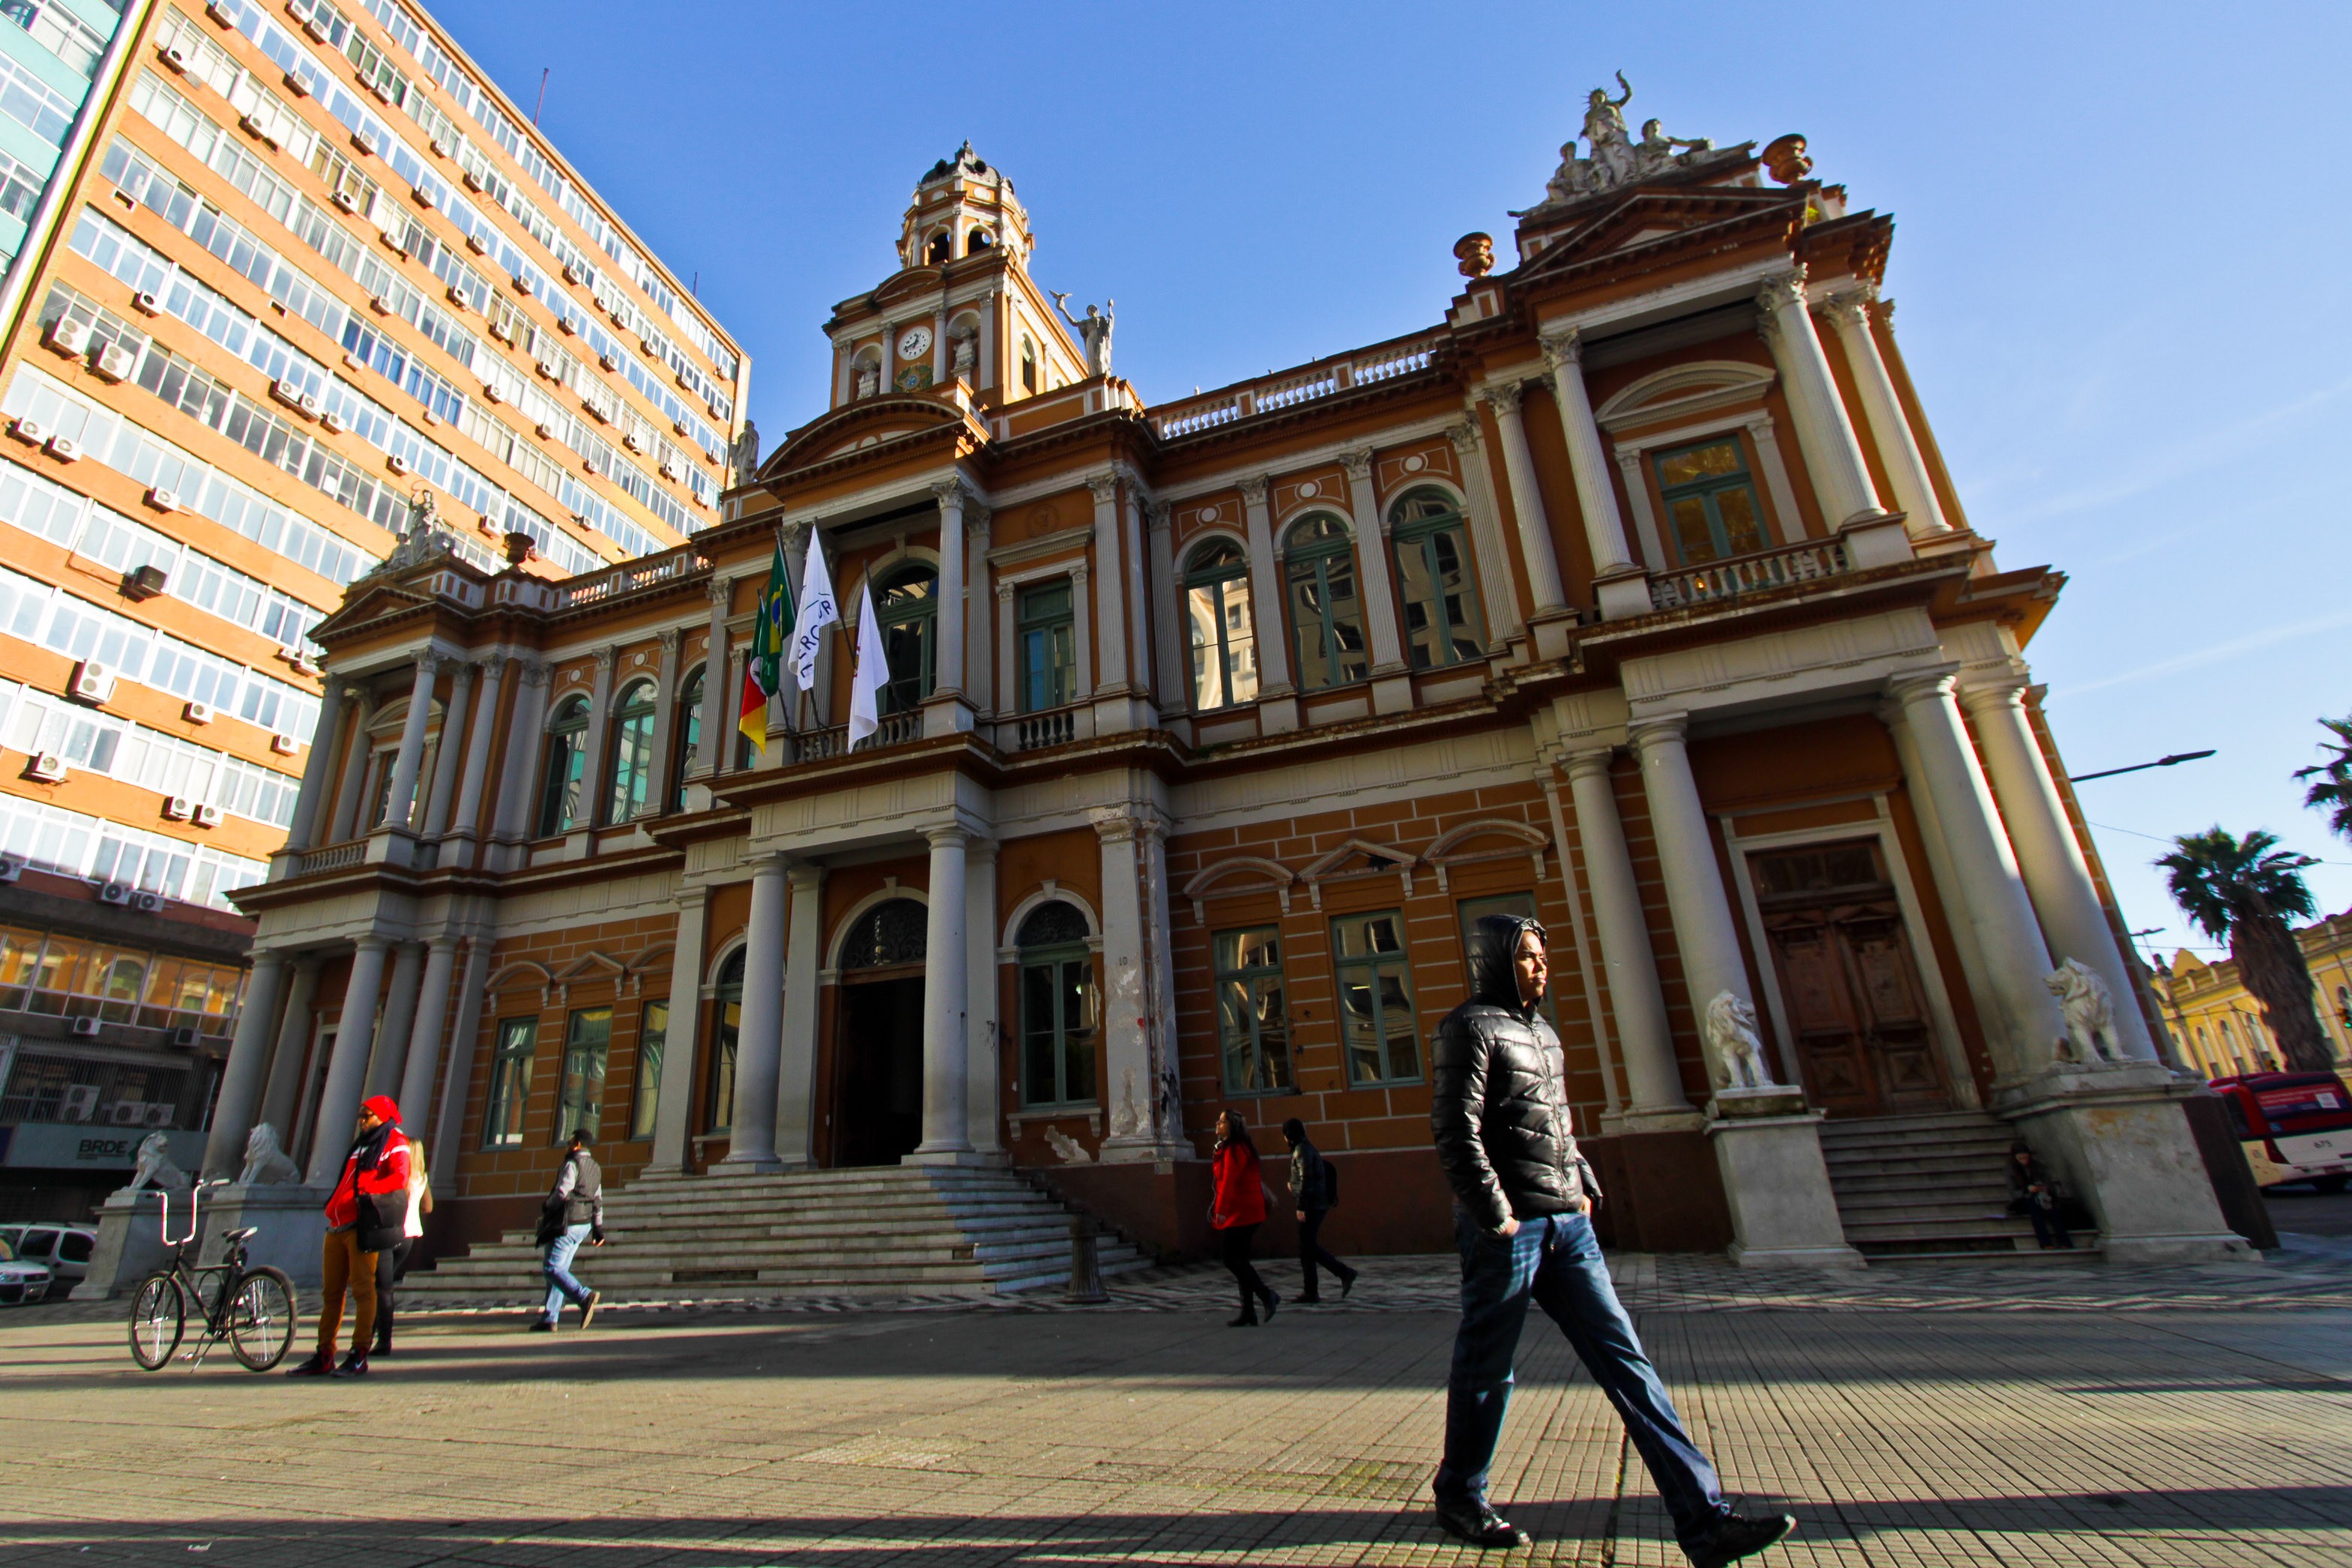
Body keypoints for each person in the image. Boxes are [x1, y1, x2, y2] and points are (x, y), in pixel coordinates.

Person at [1430, 914, 1794, 1566]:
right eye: (1529, 955)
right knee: (1487, 1368)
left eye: (1543, 954)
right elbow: (1456, 1129)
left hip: (1568, 1225)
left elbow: (1555, 1120)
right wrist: (1496, 1212)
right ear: (1496, 960)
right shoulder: (1469, 1027)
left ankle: (1705, 1521)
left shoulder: (1543, 1032)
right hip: (1510, 1230)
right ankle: (1461, 1495)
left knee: (1628, 1363)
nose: (1542, 965)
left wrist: (1584, 1178)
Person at [286, 1094, 411, 1379]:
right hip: (337, 1224)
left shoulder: (395, 1141)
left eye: (367, 1116)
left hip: (362, 1225)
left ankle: (359, 1353)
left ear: (382, 1116)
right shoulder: (361, 1144)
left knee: (364, 1290)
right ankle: (324, 1353)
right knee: (331, 1293)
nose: (362, 1121)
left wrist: (365, 1194)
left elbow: (400, 1178)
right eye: (360, 1116)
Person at [1210, 1109, 1278, 1328]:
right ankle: (1248, 1312)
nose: (1218, 1123)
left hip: (1241, 1212)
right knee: (1240, 1260)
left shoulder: (1235, 1149)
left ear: (1232, 1126)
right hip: (1245, 1210)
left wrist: (1221, 1211)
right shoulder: (1235, 1147)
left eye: (1222, 1121)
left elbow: (1229, 1182)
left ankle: (1267, 1295)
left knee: (1231, 1259)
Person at [533, 1128, 603, 1331]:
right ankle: (549, 1318)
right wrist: (598, 1226)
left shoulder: (573, 1163)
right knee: (560, 1271)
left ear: (578, 1144)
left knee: (551, 1268)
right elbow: (598, 1199)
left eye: (570, 1141)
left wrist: (548, 1205)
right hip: (584, 1223)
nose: (567, 1145)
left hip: (567, 1222)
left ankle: (584, 1296)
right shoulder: (595, 1167)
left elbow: (563, 1191)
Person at [1282, 1117, 1358, 1303]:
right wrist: (1294, 1186)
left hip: (1311, 1205)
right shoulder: (1305, 1148)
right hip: (1316, 1203)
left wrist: (1301, 1206)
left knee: (1307, 1247)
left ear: (1289, 1135)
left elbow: (1306, 1180)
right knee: (1306, 1248)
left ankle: (1343, 1273)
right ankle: (1313, 1290)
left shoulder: (1301, 1151)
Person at [373, 1132, 431, 1357]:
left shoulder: (400, 1177)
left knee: (381, 1287)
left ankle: (379, 1337)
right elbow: (428, 1207)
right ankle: (375, 1334)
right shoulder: (422, 1178)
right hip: (409, 1237)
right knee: (384, 1286)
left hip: (391, 1233)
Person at [2007, 1144, 2073, 1249]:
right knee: (2034, 1209)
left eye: (2026, 1158)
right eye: (2021, 1158)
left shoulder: (2038, 1167)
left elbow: (2049, 1184)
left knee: (2052, 1210)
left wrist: (2044, 1188)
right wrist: (2027, 1190)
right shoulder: (2011, 1170)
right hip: (2024, 1199)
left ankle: (2064, 1241)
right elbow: (2013, 1191)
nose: (2024, 1161)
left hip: (2042, 1196)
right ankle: (2045, 1242)